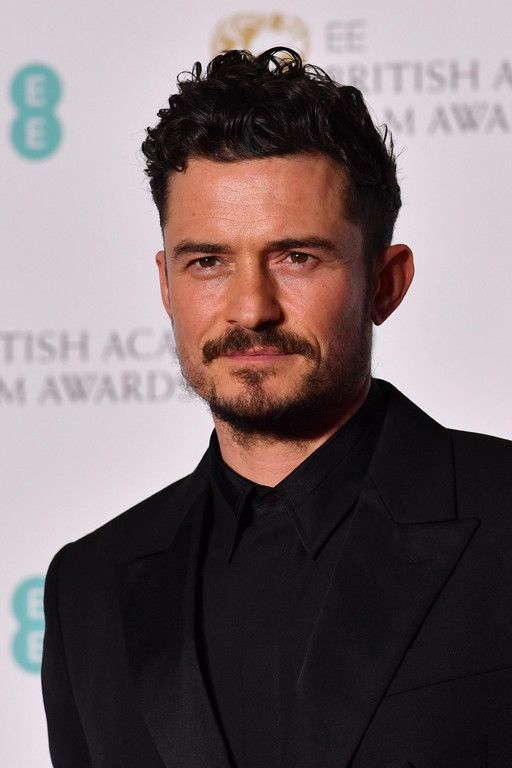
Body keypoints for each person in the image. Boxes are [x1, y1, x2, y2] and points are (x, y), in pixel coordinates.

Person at [41, 47, 512, 768]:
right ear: (167, 285)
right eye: (209, 262)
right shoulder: (89, 588)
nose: (251, 309)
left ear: (385, 283)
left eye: (297, 257)